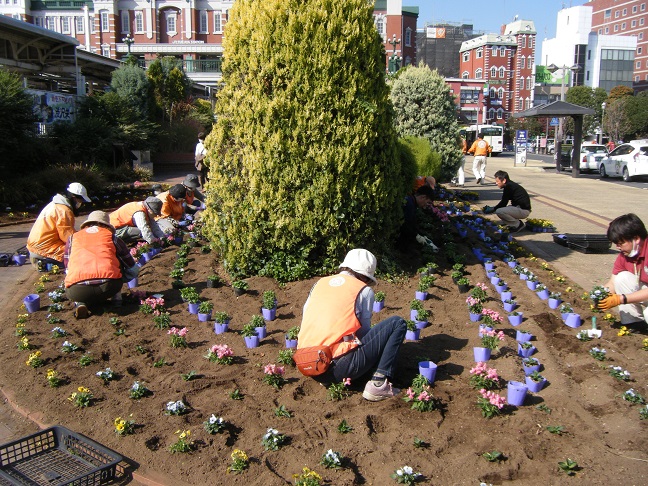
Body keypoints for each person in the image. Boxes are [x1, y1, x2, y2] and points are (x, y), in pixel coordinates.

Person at [297, 249, 407, 401]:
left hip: (308, 362)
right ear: (365, 276)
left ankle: (328, 376)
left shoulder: (319, 284)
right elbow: (363, 334)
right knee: (397, 323)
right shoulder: (363, 290)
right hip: (337, 367)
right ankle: (378, 383)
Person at [64, 211, 139, 318]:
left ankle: (81, 303)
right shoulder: (112, 237)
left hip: (77, 290)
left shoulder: (72, 238)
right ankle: (116, 299)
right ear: (106, 225)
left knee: (73, 273)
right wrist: (128, 276)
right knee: (117, 262)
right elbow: (130, 264)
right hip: (109, 286)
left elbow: (67, 267)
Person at [598, 214, 648, 325]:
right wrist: (600, 296)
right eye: (616, 244)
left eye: (621, 243)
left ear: (636, 239)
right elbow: (612, 282)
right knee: (621, 278)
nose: (618, 247)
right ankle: (634, 324)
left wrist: (621, 299)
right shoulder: (625, 255)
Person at [26, 182, 91, 268]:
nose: (80, 204)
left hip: (36, 248)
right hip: (45, 250)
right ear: (74, 198)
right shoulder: (64, 211)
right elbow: (68, 238)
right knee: (82, 254)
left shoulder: (55, 204)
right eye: (80, 201)